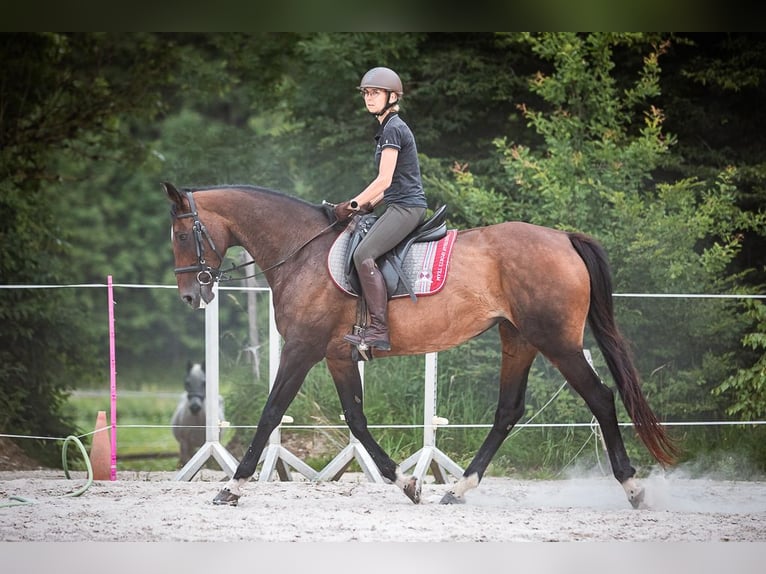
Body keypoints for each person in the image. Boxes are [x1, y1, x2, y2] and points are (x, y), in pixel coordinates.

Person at [334, 66, 428, 352]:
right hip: (397, 204)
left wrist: (351, 204)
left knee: (364, 254)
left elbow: (383, 180)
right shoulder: (387, 128)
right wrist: (364, 208)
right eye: (366, 93)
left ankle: (378, 330)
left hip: (407, 208)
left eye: (375, 93)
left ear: (392, 96)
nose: (369, 98)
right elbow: (387, 188)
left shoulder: (394, 129)